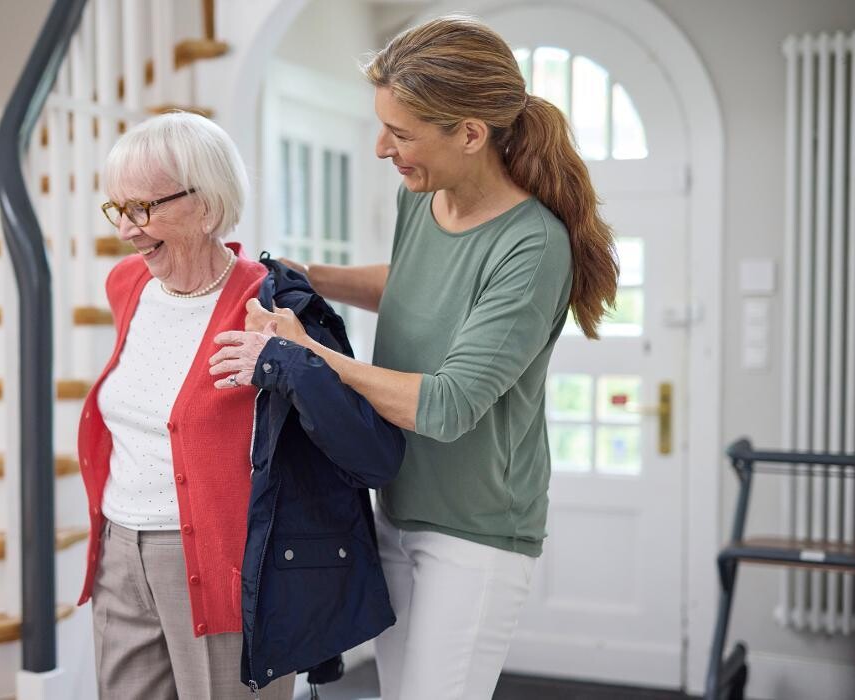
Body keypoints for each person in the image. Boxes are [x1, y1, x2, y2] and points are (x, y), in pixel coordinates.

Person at [214, 14, 619, 700]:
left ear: (469, 133)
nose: (381, 148)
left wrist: (308, 352)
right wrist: (306, 274)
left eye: (400, 134)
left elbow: (446, 404)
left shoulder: (532, 246)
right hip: (396, 506)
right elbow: (409, 283)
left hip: (475, 534)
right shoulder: (423, 199)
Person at [76, 111, 403, 700]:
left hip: (227, 563)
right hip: (120, 551)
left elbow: (370, 452)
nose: (125, 229)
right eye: (117, 209)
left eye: (142, 209)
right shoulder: (128, 283)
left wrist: (286, 363)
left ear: (205, 206)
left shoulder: (274, 303)